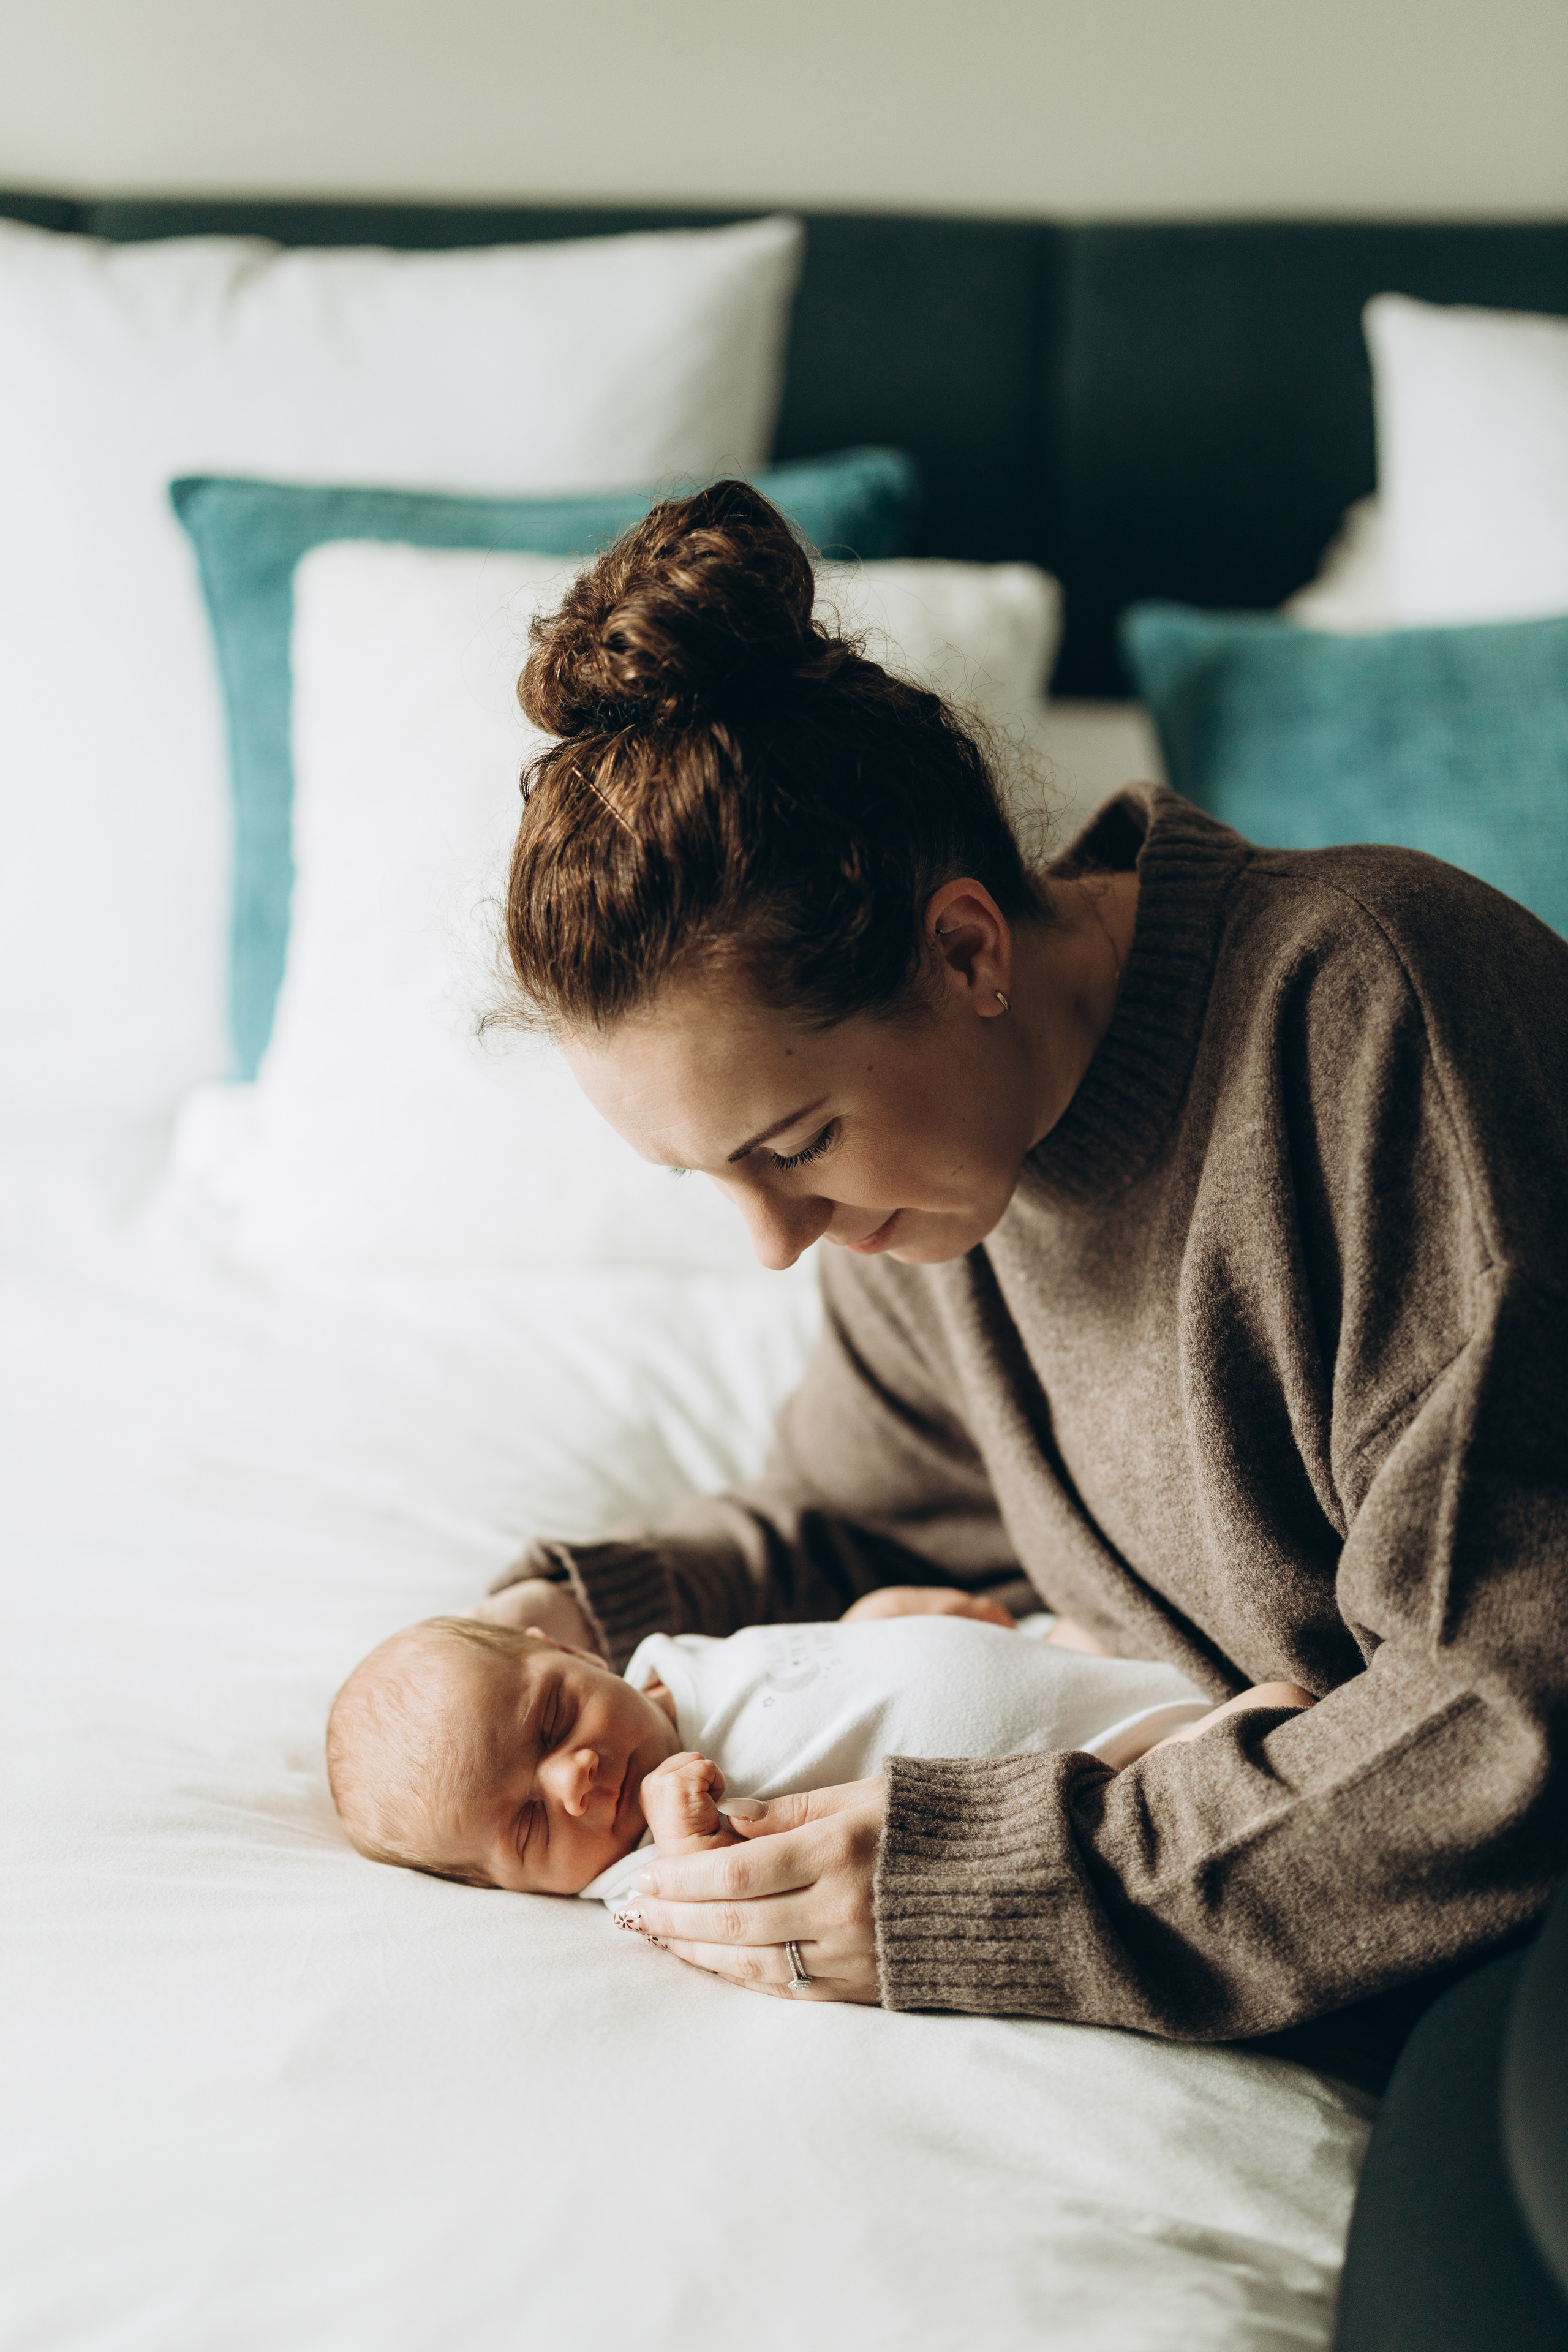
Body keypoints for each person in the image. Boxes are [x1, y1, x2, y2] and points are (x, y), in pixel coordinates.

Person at [473, 477, 1568, 2035]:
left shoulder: (1376, 1017)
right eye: (706, 1179)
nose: (777, 1244)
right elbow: (853, 1519)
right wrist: (560, 1631)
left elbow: (1508, 1713)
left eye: (791, 1144)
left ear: (969, 949)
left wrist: (1007, 1892)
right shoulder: (936, 1193)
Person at [324, 1608, 1311, 1917]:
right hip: (1089, 1778)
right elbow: (716, 1896)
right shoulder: (632, 1866)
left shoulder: (669, 1667)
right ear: (500, 1884)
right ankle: (1202, 1744)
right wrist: (686, 1835)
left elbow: (801, 1666)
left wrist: (874, 1620)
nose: (573, 1776)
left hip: (1046, 1653)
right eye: (529, 1824)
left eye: (550, 1719)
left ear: (576, 1651)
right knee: (1228, 1753)